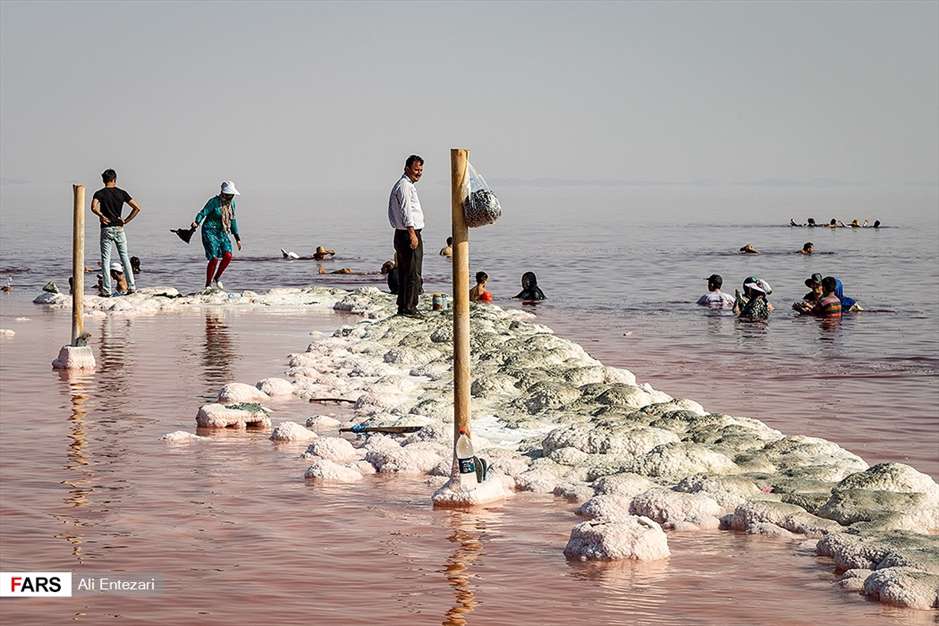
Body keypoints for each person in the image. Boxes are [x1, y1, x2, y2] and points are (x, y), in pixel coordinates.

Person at [90, 169, 141, 296]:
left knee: (105, 259)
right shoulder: (122, 193)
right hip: (119, 228)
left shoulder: (99, 193)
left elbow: (93, 207)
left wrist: (101, 215)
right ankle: (132, 287)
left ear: (103, 180)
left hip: (106, 228)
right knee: (124, 257)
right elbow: (137, 207)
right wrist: (126, 220)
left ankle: (107, 290)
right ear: (114, 179)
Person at [388, 155, 425, 317]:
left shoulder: (407, 185)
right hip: (408, 232)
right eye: (416, 169)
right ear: (407, 168)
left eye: (421, 170)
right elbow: (405, 210)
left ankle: (403, 305)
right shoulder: (404, 186)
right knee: (412, 272)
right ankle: (409, 307)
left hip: (404, 233)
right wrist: (412, 233)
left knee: (406, 271)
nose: (419, 173)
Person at [191, 181, 242, 290]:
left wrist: (237, 238)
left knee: (228, 255)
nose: (231, 197)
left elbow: (232, 220)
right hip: (209, 230)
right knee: (214, 258)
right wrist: (197, 222)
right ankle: (208, 284)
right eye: (229, 194)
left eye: (232, 195)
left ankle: (217, 278)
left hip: (222, 231)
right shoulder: (213, 202)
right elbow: (203, 213)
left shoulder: (232, 204)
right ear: (223, 193)